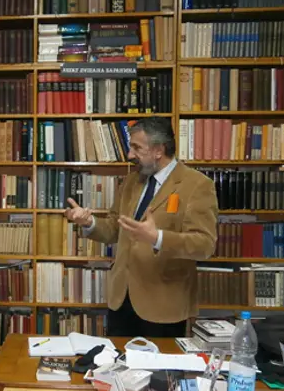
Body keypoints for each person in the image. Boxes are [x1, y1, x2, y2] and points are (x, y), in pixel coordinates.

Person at [64, 117, 218, 338]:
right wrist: (89, 223)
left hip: (163, 305)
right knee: (117, 359)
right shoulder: (131, 181)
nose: (130, 155)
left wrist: (157, 238)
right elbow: (115, 228)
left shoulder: (197, 185)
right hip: (121, 300)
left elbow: (204, 245)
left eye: (137, 148)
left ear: (158, 150)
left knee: (160, 361)